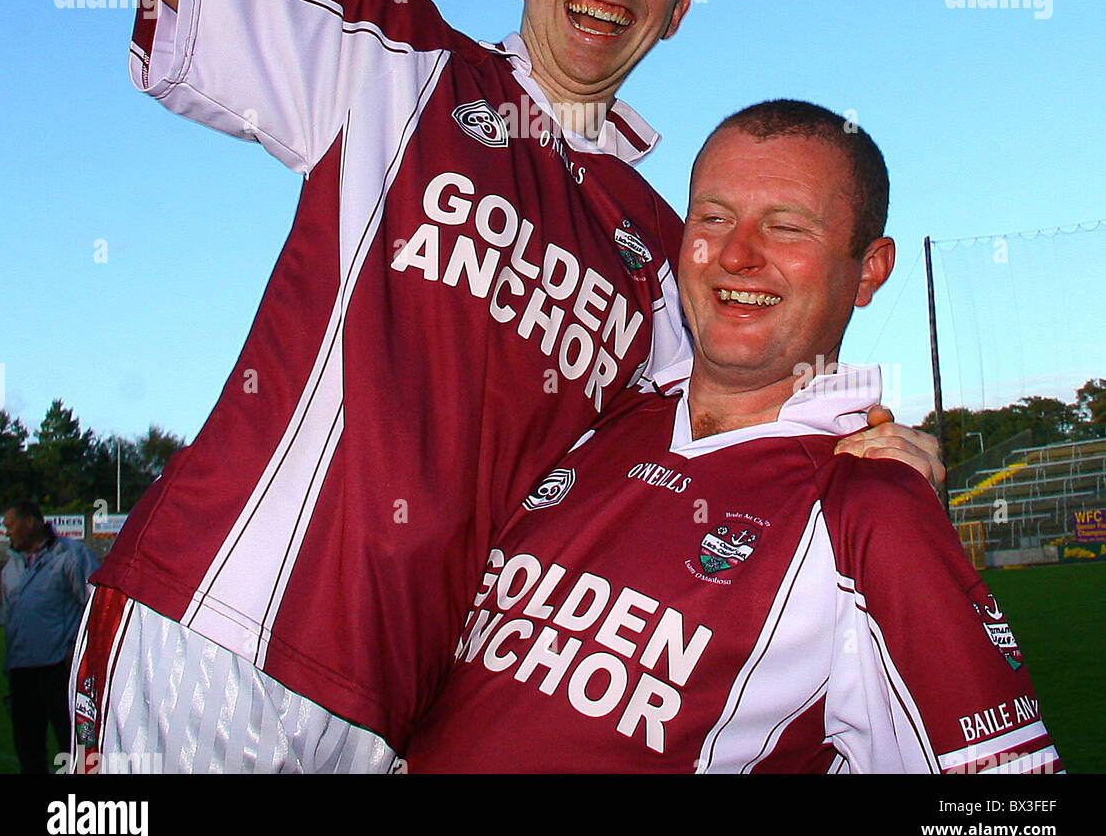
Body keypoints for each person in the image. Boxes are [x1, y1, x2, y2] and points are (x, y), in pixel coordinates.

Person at [72, 0, 940, 774]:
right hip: (221, 636)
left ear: (676, 11)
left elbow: (727, 405)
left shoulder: (659, 241)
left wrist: (862, 435)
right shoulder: (397, 58)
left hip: (411, 711)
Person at [405, 102, 1060, 775]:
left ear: (868, 270)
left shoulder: (870, 509)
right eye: (712, 218)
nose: (736, 254)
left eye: (785, 228)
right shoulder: (589, 417)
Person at [1, 502, 98, 774]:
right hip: (22, 675)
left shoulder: (73, 556)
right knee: (29, 752)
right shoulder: (11, 569)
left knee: (76, 750)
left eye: (10, 526)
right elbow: (12, 624)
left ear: (30, 522)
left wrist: (76, 650)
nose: (7, 533)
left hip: (60, 672)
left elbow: (97, 608)